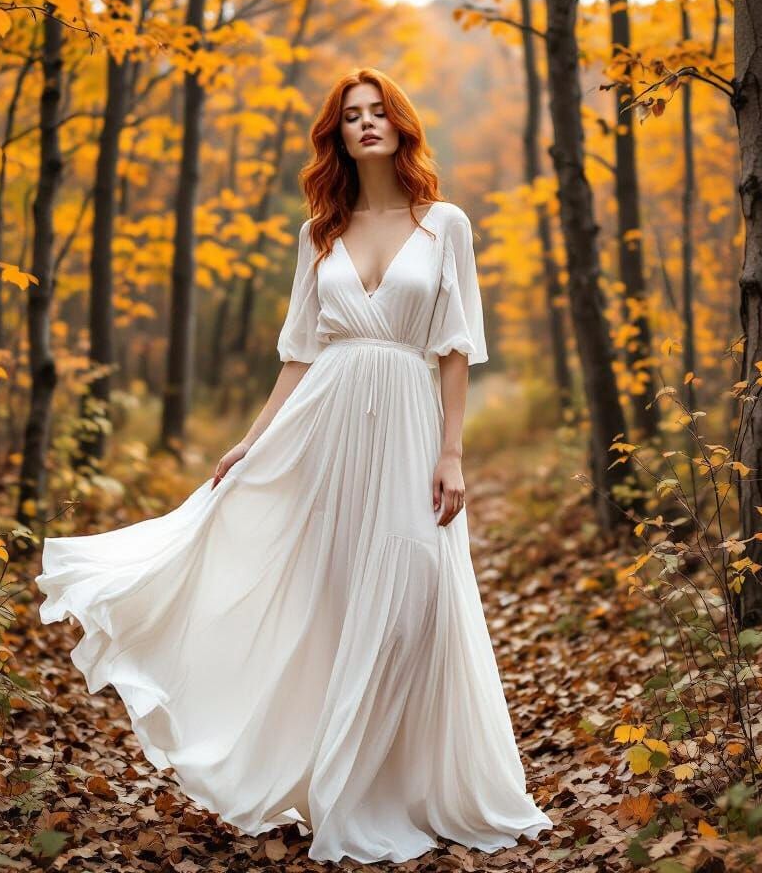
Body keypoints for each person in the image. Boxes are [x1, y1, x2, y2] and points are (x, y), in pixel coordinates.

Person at [36, 67, 554, 864]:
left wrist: (452, 451)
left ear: (402, 125)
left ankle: (404, 784)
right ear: (337, 134)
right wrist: (252, 440)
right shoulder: (320, 232)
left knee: (414, 596)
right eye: (353, 115)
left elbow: (455, 348)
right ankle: (339, 789)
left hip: (409, 424)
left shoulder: (444, 223)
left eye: (380, 112)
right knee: (335, 601)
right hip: (324, 427)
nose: (368, 123)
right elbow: (298, 357)